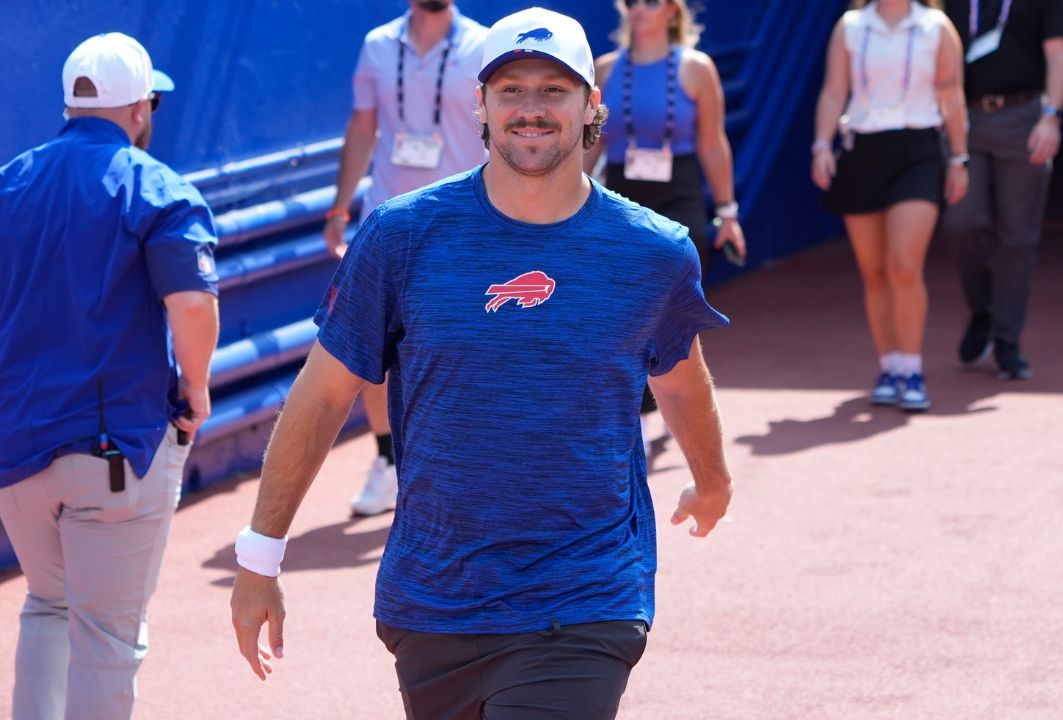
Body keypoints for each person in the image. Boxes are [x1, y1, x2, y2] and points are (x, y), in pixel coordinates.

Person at [230, 8, 734, 719]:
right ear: (482, 105)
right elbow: (321, 396)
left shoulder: (652, 252)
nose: (531, 110)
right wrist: (259, 558)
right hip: (433, 601)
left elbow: (681, 378)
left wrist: (712, 482)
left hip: (584, 598)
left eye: (554, 91)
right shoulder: (401, 236)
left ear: (591, 105)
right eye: (512, 91)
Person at [0, 33, 219, 720]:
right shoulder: (153, 184)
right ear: (140, 106)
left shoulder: (10, 181)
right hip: (113, 450)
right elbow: (191, 301)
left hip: (17, 452)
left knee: (46, 608)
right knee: (106, 638)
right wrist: (198, 386)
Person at [322, 0, 489, 517]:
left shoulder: (484, 45)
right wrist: (339, 207)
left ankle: (465, 461)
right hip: (389, 220)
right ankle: (389, 461)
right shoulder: (377, 45)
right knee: (379, 349)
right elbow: (363, 126)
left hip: (464, 223)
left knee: (468, 346)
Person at [585, 0, 746, 451]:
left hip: (681, 195)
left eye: (650, 1)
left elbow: (714, 144)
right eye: (632, 1)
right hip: (623, 197)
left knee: (673, 309)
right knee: (623, 310)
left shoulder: (696, 68)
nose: (639, 8)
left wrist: (728, 213)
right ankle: (639, 406)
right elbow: (590, 146)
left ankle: (674, 403)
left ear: (673, 10)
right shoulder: (606, 69)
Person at [812, 0, 969, 412]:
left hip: (919, 151)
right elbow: (833, 92)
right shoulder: (850, 25)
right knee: (875, 271)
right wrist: (821, 146)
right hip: (862, 150)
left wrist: (959, 158)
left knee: (904, 264)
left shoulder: (936, 26)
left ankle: (913, 369)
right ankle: (890, 365)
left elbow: (951, 94)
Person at [938, 0, 1063, 379]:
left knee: (1018, 236)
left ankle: (1007, 338)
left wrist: (1052, 118)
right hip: (967, 120)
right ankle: (983, 309)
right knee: (961, 221)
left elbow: (1060, 53)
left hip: (1026, 115)